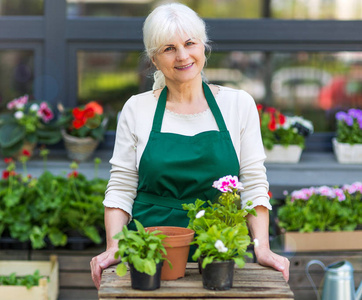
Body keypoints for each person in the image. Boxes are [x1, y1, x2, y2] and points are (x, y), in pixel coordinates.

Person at [90, 2, 290, 289]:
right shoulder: (137, 109)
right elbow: (121, 187)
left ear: (203, 47)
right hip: (151, 253)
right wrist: (114, 246)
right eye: (169, 49)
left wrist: (262, 247)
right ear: (154, 59)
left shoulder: (237, 104)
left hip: (219, 250)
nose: (182, 56)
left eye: (189, 43)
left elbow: (254, 183)